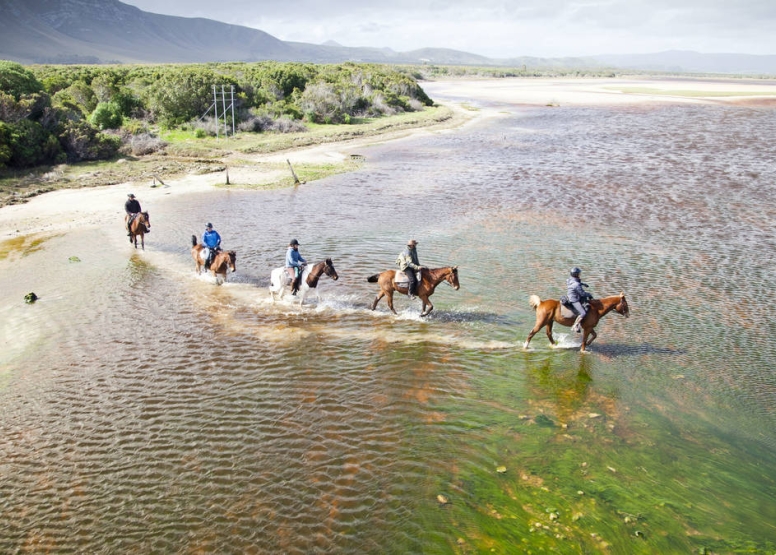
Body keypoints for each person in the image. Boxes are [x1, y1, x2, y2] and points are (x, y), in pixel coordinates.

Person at [567, 267, 591, 333]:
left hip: (570, 295)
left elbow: (575, 283)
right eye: (579, 274)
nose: (580, 275)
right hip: (574, 299)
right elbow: (582, 294)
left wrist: (582, 284)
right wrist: (589, 294)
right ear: (576, 274)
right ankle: (575, 325)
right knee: (583, 313)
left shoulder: (569, 280)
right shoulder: (576, 284)